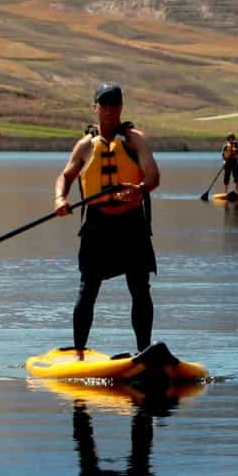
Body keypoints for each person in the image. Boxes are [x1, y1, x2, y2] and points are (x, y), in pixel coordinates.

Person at [56, 82, 162, 357]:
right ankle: (79, 353)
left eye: (115, 104)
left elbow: (152, 174)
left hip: (132, 223)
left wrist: (139, 189)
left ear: (121, 108)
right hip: (97, 225)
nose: (110, 110)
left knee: (140, 288)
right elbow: (66, 176)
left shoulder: (133, 140)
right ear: (95, 108)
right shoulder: (85, 146)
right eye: (105, 104)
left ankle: (143, 351)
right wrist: (60, 200)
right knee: (88, 288)